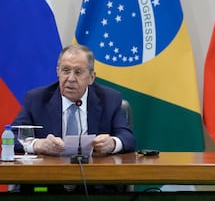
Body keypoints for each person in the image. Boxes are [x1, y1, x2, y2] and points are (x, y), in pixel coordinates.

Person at [12, 44, 136, 192]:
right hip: (47, 184)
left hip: (96, 185)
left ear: (91, 77)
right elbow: (12, 137)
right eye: (65, 71)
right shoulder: (37, 99)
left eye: (78, 72)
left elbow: (127, 138)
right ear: (57, 72)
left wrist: (112, 143)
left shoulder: (109, 99)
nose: (70, 78)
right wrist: (38, 144)